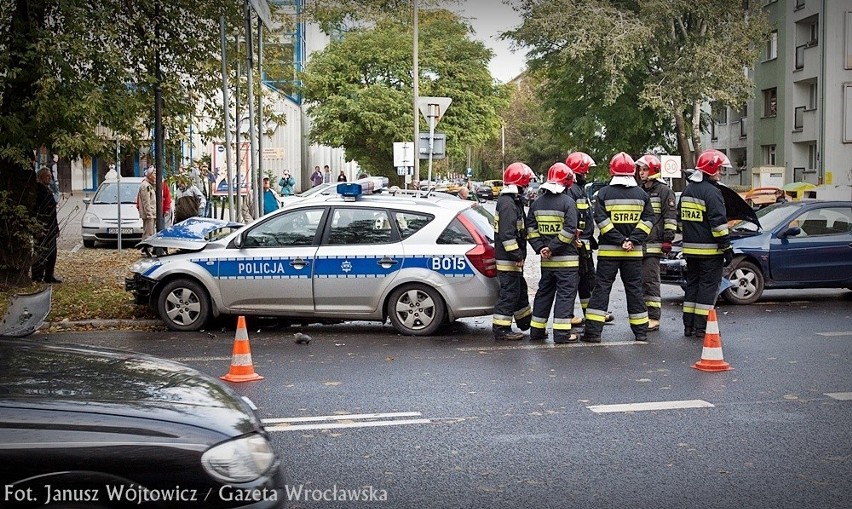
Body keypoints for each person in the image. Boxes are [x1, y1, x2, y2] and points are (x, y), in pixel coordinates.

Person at [580, 152, 655, 343]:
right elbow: (648, 220)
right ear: (632, 171)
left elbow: (601, 221)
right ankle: (641, 332)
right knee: (635, 290)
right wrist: (632, 240)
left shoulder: (604, 194)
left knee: (602, 290)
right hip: (634, 252)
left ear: (612, 171)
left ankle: (593, 333)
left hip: (609, 252)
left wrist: (619, 240)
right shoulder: (642, 194)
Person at [679, 149, 733, 338]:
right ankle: (701, 328)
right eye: (718, 169)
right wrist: (727, 248)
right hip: (710, 252)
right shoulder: (712, 192)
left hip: (690, 251)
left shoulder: (687, 191)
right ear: (710, 169)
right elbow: (718, 225)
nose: (720, 173)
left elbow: (681, 219)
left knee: (692, 286)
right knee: (707, 288)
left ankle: (689, 326)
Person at [526, 162, 580, 343]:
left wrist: (541, 247)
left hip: (547, 262)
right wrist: (553, 247)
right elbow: (569, 230)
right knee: (565, 296)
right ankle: (562, 334)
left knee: (544, 294)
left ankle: (537, 332)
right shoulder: (568, 203)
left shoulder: (537, 203)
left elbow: (531, 229)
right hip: (567, 262)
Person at [564, 151, 613, 327]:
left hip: (584, 244)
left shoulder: (579, 190)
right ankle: (567, 315)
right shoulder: (571, 191)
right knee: (572, 281)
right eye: (585, 171)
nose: (587, 175)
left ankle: (592, 312)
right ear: (578, 171)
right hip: (576, 245)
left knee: (587, 280)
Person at [492, 162, 535, 341]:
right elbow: (508, 235)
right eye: (526, 183)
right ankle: (501, 329)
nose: (527, 187)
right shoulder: (508, 204)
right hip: (508, 259)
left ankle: (525, 322)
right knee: (510, 293)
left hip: (510, 258)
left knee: (519, 290)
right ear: (520, 182)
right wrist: (517, 255)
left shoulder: (511, 202)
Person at [636, 154, 677, 332]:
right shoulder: (639, 190)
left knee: (651, 281)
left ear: (652, 171)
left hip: (654, 244)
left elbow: (670, 217)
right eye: (640, 169)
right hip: (639, 243)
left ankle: (653, 317)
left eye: (644, 169)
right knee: (639, 282)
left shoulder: (664, 191)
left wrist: (668, 238)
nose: (641, 173)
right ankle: (642, 314)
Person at [31, 167, 61, 283]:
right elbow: (38, 211)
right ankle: (37, 276)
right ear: (41, 177)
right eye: (47, 176)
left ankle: (49, 275)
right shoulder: (39, 191)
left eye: (50, 176)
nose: (49, 178)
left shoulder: (47, 190)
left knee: (52, 253)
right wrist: (38, 228)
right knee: (41, 252)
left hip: (51, 227)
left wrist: (56, 227)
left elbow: (52, 212)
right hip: (43, 228)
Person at [137, 167, 158, 239]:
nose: (156, 176)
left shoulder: (150, 185)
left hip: (153, 213)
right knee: (148, 234)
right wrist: (149, 215)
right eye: (154, 174)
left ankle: (150, 248)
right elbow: (146, 202)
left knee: (152, 233)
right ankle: (147, 249)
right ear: (150, 175)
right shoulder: (145, 186)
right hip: (149, 215)